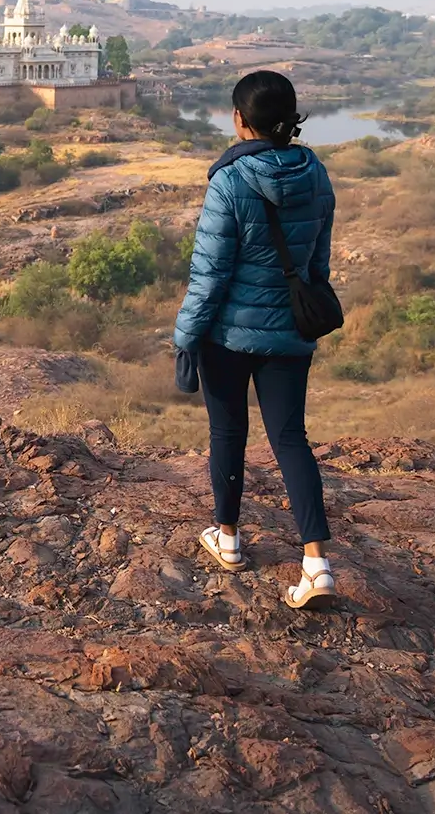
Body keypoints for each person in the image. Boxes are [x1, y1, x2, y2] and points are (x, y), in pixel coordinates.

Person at [173, 70, 337, 609]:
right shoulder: (315, 174)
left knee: (229, 433)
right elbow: (316, 264)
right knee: (290, 439)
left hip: (228, 334)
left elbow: (210, 273)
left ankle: (228, 537)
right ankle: (316, 564)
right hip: (290, 331)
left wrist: (186, 336)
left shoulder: (229, 181)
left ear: (240, 120)